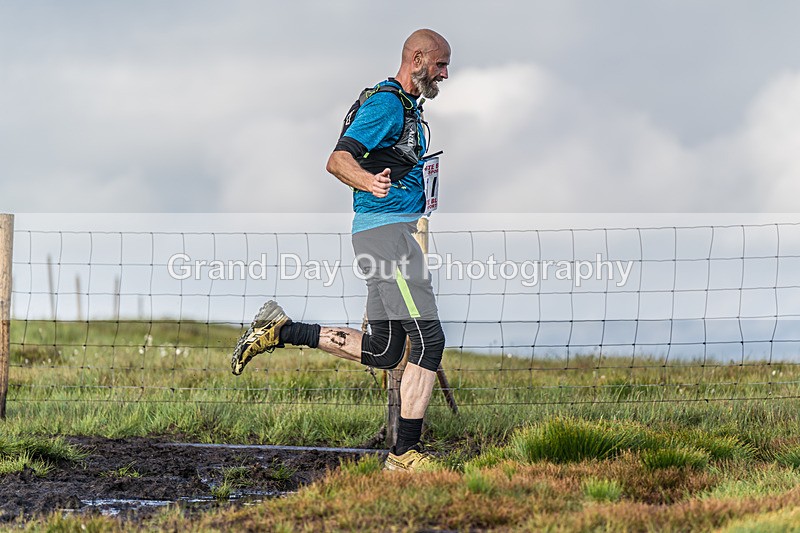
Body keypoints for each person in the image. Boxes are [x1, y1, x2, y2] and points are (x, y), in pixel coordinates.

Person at [231, 29, 451, 472]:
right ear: (419, 59)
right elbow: (337, 159)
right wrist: (369, 182)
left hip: (389, 235)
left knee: (387, 351)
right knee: (429, 340)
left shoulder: (407, 108)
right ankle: (404, 456)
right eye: (441, 64)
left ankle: (280, 330)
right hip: (386, 237)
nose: (446, 74)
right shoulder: (386, 104)